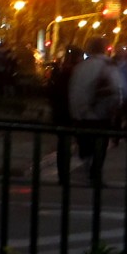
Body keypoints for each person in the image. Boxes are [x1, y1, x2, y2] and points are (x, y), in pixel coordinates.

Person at [67, 37, 125, 187]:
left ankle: (87, 167)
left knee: (86, 144)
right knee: (100, 146)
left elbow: (74, 91)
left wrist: (76, 113)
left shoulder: (81, 67)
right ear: (105, 48)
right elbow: (119, 90)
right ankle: (94, 174)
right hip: (101, 115)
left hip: (81, 115)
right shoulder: (108, 66)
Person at [46, 46, 84, 184]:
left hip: (62, 112)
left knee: (64, 143)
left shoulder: (63, 72)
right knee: (67, 143)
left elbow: (52, 92)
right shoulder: (75, 73)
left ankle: (63, 173)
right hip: (70, 112)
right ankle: (65, 173)